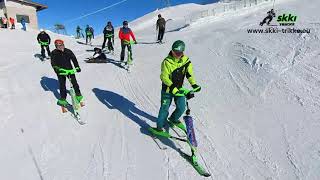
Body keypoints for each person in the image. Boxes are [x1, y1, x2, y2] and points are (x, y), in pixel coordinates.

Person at [150, 40, 201, 134]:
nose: (176, 54)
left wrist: (194, 84)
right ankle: (159, 128)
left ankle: (173, 119)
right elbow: (164, 77)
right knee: (164, 109)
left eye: (179, 53)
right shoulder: (167, 62)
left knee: (181, 107)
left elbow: (189, 74)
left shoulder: (186, 61)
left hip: (179, 90)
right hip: (167, 90)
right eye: (174, 52)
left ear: (182, 52)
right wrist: (172, 87)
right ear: (172, 50)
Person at [50, 39, 83, 106]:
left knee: (74, 82)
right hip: (61, 71)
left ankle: (78, 94)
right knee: (62, 85)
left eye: (61, 45)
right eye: (58, 45)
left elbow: (74, 59)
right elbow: (53, 63)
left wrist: (77, 67)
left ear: (63, 44)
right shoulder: (54, 52)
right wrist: (58, 70)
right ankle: (63, 99)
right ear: (56, 46)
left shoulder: (68, 51)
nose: (60, 46)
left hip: (69, 69)